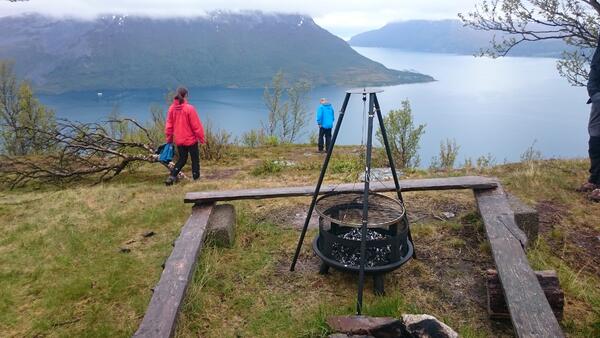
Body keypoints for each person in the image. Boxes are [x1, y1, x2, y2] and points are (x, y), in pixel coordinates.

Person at [164, 87, 205, 185]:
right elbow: (196, 126)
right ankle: (196, 178)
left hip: (179, 140)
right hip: (191, 140)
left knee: (182, 159)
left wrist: (169, 139)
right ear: (186, 95)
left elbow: (169, 126)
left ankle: (172, 176)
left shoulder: (171, 109)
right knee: (195, 159)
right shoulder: (189, 108)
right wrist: (201, 139)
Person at [580, 36, 600, 201]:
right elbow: (594, 69)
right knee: (595, 139)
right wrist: (594, 94)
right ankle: (595, 180)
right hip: (598, 99)